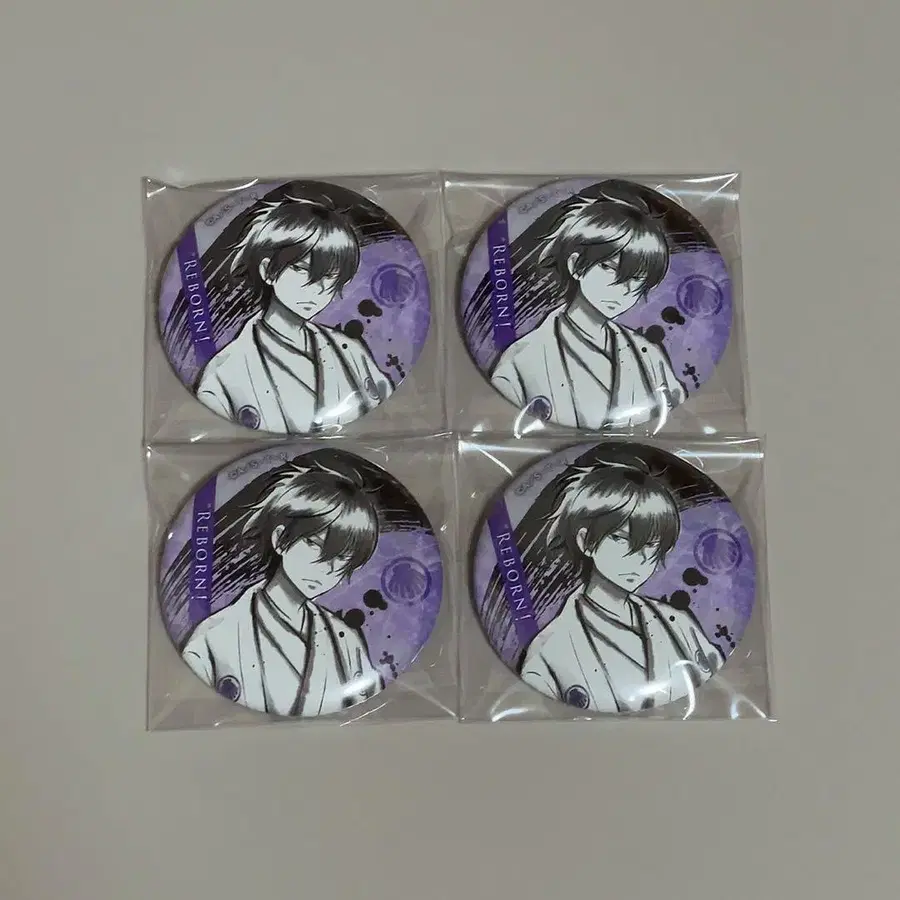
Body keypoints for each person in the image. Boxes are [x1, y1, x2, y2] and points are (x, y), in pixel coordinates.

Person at [489, 460, 723, 713]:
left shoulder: (679, 625)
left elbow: (715, 693)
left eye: (651, 545)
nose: (641, 558)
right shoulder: (549, 651)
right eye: (621, 539)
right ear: (585, 541)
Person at [181, 457, 384, 717]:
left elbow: (369, 708)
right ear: (279, 539)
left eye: (343, 558)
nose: (328, 567)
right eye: (314, 544)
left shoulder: (346, 642)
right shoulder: (213, 637)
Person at [490, 184, 686, 428]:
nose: (624, 288)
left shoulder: (649, 356)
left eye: (637, 279)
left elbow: (676, 418)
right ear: (575, 265)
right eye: (609, 268)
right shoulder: (522, 360)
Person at [195, 196, 393, 432]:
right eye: (302, 269)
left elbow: (386, 417)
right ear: (268, 270)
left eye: (331, 276)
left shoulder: (351, 352)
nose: (319, 288)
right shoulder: (224, 372)